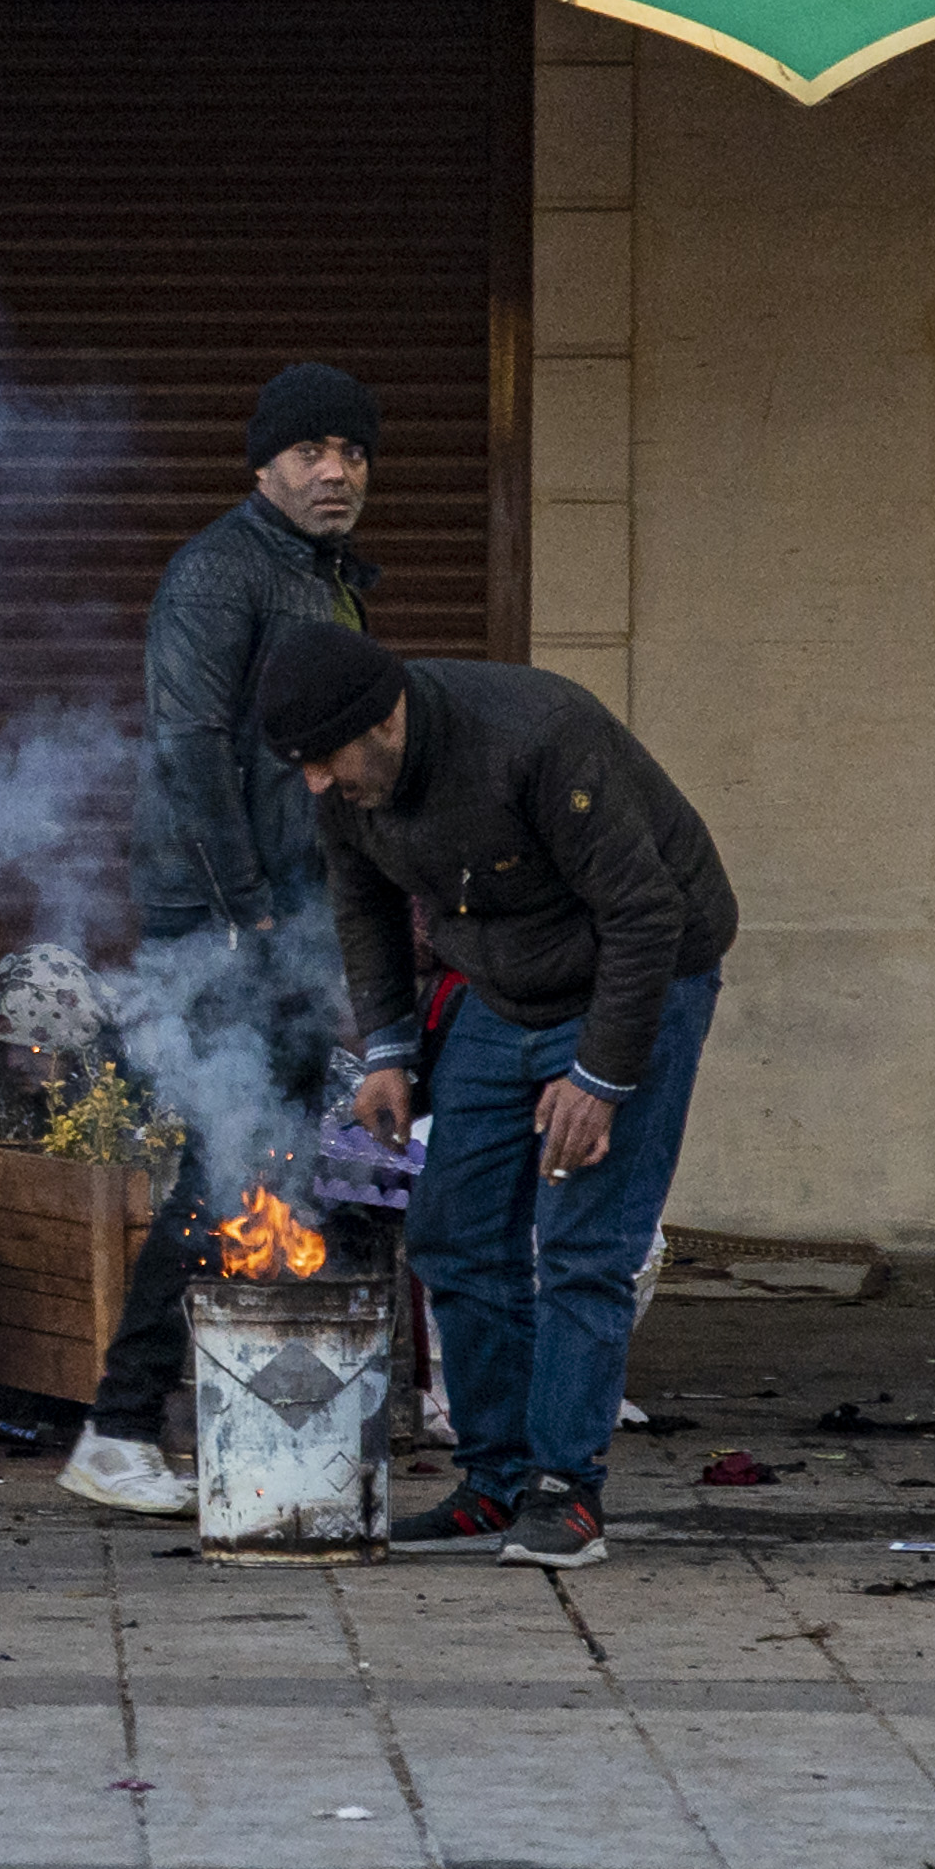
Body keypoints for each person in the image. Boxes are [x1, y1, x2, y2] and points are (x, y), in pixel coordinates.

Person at [264, 620, 736, 1571]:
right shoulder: (347, 782)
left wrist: (600, 1079)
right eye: (301, 765)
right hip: (500, 985)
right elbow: (361, 905)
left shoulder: (537, 734)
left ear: (384, 722)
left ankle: (567, 1493)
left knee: (582, 1244)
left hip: (638, 974)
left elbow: (649, 914)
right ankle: (494, 1482)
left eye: (326, 759)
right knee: (452, 1231)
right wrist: (391, 1048)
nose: (317, 782)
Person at [63, 362, 388, 1522]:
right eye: (312, 452)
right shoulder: (220, 572)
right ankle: (115, 1426)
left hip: (287, 916)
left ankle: (214, 1413)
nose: (337, 470)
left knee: (270, 1167)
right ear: (264, 465)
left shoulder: (323, 575)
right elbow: (190, 748)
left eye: (353, 450)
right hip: (222, 921)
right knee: (229, 1161)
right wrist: (249, 910)